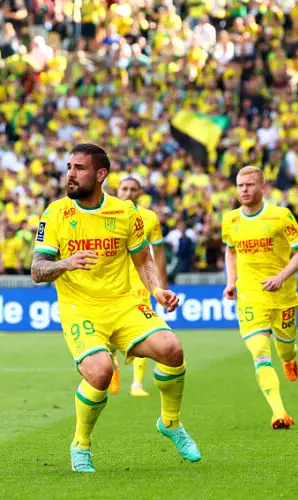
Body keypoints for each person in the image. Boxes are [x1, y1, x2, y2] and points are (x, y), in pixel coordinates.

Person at [31, 143, 201, 473]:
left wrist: (158, 290)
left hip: (124, 304)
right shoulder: (55, 213)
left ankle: (170, 422)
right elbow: (38, 270)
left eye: (79, 168)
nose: (71, 174)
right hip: (80, 308)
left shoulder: (125, 213)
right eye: (69, 167)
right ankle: (81, 444)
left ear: (101, 174)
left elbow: (143, 260)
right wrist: (66, 262)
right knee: (100, 372)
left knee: (172, 349)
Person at [221, 166, 298, 430]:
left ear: (262, 187)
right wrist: (230, 281)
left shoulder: (281, 216)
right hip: (250, 296)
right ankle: (279, 412)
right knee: (260, 354)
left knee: (285, 347)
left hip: (283, 295)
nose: (244, 190)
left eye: (249, 185)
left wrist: (281, 277)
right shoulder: (231, 220)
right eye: (240, 185)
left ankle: (289, 358)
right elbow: (231, 251)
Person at [110, 174, 168, 397]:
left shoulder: (150, 218)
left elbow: (159, 252)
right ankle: (112, 362)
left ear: (139, 192)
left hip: (141, 282)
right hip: (114, 282)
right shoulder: (109, 215)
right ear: (118, 191)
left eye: (133, 189)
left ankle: (137, 384)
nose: (127, 192)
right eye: (124, 188)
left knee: (142, 330)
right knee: (111, 329)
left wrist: (161, 284)